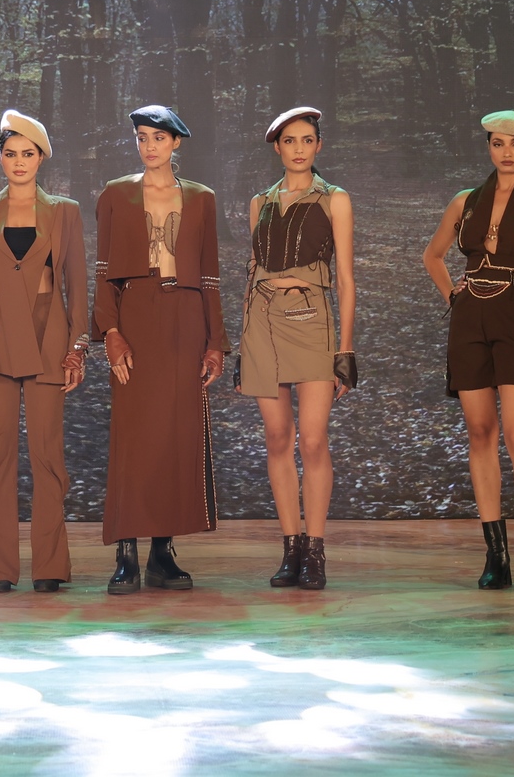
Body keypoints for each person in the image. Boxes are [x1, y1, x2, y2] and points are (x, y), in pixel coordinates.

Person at [421, 110, 514, 592]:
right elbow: (432, 255)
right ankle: (495, 555)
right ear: (489, 147)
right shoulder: (464, 201)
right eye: (498, 143)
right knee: (480, 432)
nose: (506, 152)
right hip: (470, 322)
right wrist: (453, 296)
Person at [0, 110, 89, 594]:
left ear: (41, 158)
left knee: (48, 452)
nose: (18, 162)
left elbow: (77, 285)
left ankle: (50, 565)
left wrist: (78, 348)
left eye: (27, 154)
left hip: (48, 341)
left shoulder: (65, 211)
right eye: (10, 153)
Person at [94, 105, 228, 594]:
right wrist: (110, 332)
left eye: (158, 137)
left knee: (176, 434)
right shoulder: (115, 194)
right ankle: (125, 553)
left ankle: (161, 554)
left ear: (176, 143)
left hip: (186, 318)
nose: (149, 146)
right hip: (136, 314)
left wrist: (215, 342)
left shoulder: (202, 198)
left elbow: (210, 276)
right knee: (134, 435)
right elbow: (103, 270)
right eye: (141, 137)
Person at [238, 107, 356, 590]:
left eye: (308, 140)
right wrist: (242, 343)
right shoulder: (259, 202)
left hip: (311, 322)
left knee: (312, 440)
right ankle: (290, 548)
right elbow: (253, 271)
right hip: (261, 324)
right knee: (277, 438)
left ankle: (316, 548)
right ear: (277, 147)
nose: (299, 148)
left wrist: (345, 351)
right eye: (290, 141)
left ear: (319, 145)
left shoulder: (335, 199)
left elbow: (345, 279)